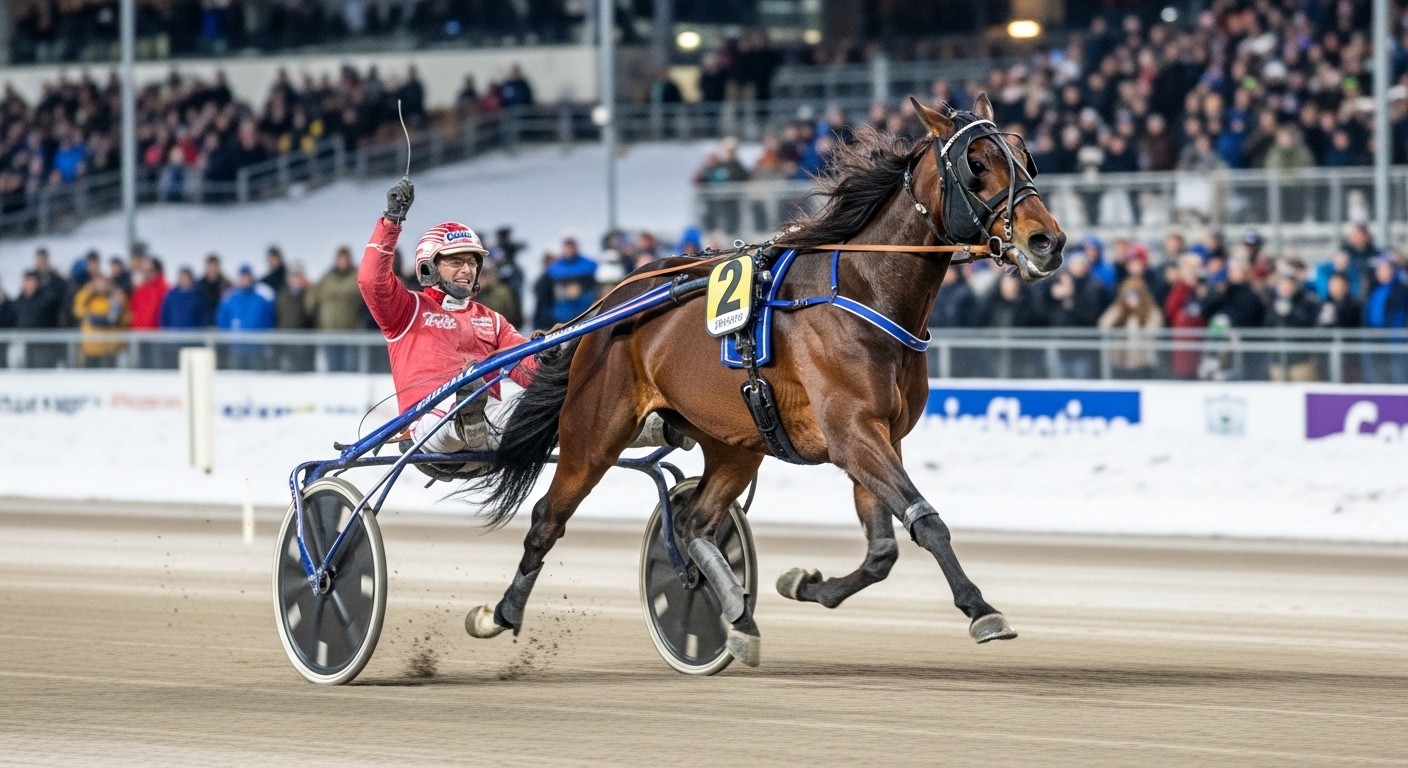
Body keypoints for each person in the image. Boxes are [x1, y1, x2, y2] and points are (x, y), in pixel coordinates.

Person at [360, 180, 686, 480]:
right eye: (456, 261)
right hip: (427, 432)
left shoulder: (492, 320)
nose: (467, 269)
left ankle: (658, 427)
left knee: (564, 407)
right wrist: (391, 221)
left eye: (473, 262)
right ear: (428, 267)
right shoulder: (407, 310)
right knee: (460, 406)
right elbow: (371, 281)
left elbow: (526, 370)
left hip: (492, 427)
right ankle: (465, 417)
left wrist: (549, 358)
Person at [1098, 278, 1164, 379]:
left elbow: (1153, 332)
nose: (1131, 298)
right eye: (1127, 294)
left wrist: (1135, 318)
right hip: (1121, 362)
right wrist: (1119, 309)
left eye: (1134, 294)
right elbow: (1103, 325)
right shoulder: (1119, 309)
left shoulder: (1151, 311)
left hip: (1143, 362)